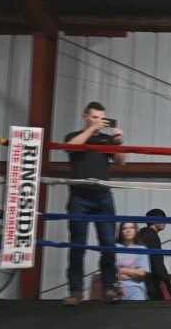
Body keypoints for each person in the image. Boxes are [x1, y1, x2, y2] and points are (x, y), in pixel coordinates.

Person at [63, 101, 126, 306]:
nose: (99, 121)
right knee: (77, 245)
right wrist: (91, 130)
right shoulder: (73, 136)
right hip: (79, 197)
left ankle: (108, 288)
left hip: (102, 196)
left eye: (102, 118)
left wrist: (117, 142)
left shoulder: (106, 140)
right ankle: (75, 292)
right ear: (86, 117)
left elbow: (120, 162)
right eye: (95, 117)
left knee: (108, 244)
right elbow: (70, 148)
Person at [139, 208, 171, 300]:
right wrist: (168, 283)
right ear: (153, 220)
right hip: (149, 283)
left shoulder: (142, 234)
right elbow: (157, 262)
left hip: (140, 281)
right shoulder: (151, 236)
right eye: (162, 219)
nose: (165, 222)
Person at [115, 222, 151, 300]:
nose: (128, 230)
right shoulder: (114, 248)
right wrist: (133, 274)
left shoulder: (142, 249)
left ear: (136, 230)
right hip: (116, 291)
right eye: (125, 228)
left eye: (131, 228)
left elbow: (142, 273)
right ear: (120, 231)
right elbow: (110, 272)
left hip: (136, 291)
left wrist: (121, 270)